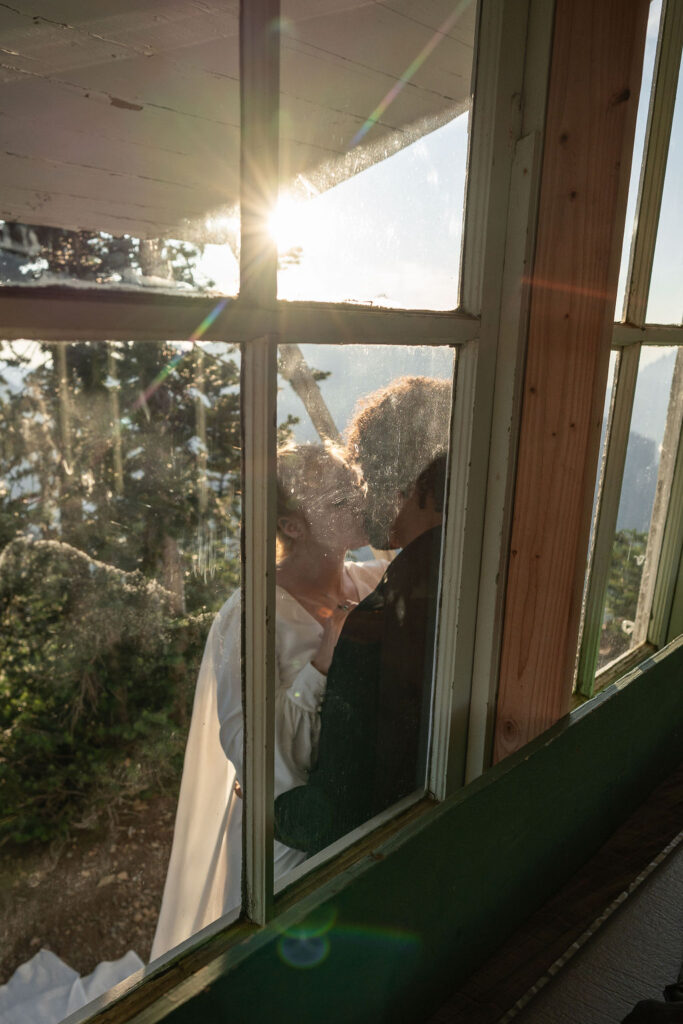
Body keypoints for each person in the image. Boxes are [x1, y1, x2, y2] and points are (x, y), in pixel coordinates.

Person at [150, 443, 385, 960]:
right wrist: (328, 656)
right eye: (336, 493)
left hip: (371, 819)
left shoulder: (371, 582)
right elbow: (263, 756)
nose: (358, 495)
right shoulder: (251, 615)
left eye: (354, 481)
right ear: (292, 525)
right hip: (288, 839)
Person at [274, 376, 452, 855]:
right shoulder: (464, 566)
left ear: (410, 478)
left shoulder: (376, 623)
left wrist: (273, 812)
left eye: (368, 473)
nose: (362, 494)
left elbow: (337, 816)